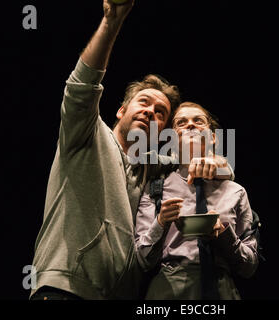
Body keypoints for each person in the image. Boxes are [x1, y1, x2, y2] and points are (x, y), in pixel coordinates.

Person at [30, 1, 232, 300]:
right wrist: (112, 22)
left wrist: (216, 160)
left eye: (161, 111)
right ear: (122, 110)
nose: (150, 111)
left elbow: (204, 161)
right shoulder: (87, 133)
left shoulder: (152, 164)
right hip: (66, 289)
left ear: (163, 131)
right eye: (143, 103)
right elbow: (81, 86)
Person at [135, 102, 259, 300]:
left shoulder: (236, 192)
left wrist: (225, 236)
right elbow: (141, 260)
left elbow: (249, 266)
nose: (190, 125)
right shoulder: (155, 189)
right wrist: (161, 222)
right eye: (181, 123)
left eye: (198, 121)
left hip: (222, 291)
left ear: (213, 138)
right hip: (168, 291)